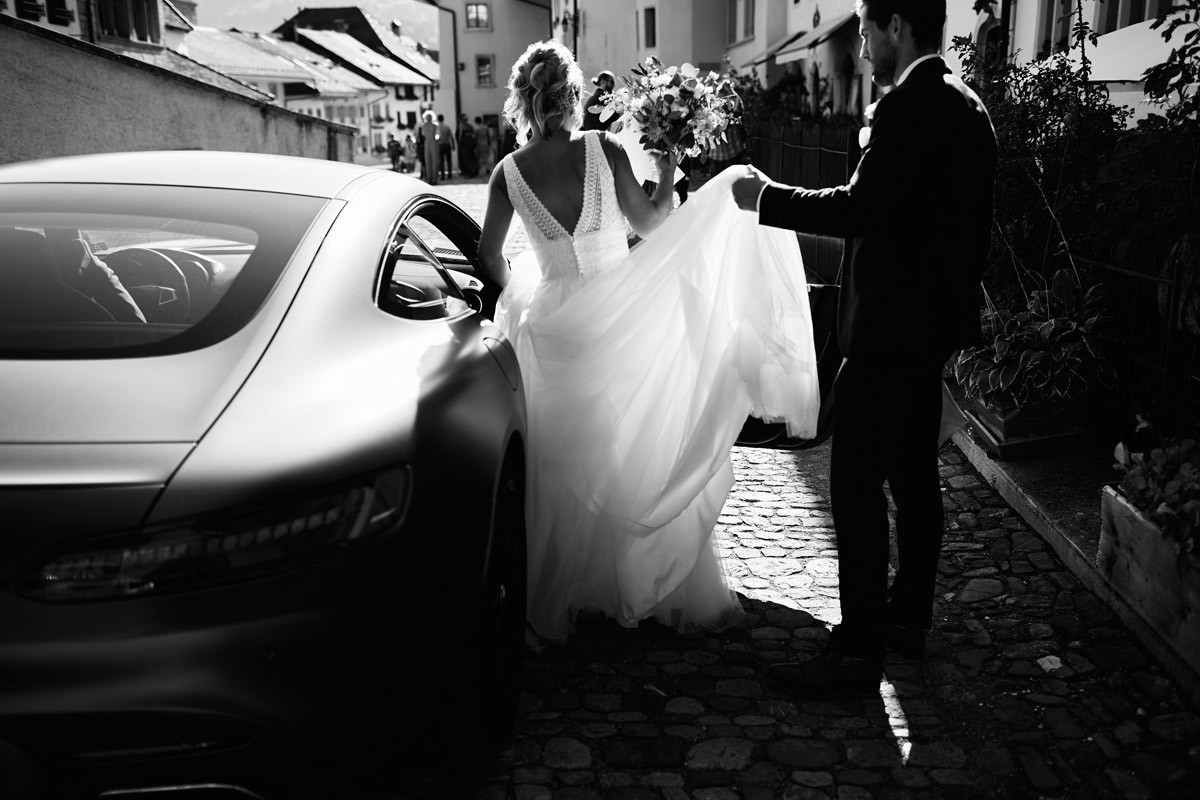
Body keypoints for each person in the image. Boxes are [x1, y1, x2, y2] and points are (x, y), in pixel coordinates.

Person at [478, 40, 820, 645]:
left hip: (554, 325)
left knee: (567, 465)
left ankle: (574, 595)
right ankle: (634, 586)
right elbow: (654, 224)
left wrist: (525, 293)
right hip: (619, 311)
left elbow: (488, 258)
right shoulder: (604, 149)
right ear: (571, 92)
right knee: (634, 449)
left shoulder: (507, 176)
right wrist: (665, 172)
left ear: (522, 100)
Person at [731, 0, 998, 690]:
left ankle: (856, 652)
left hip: (888, 331)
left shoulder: (909, 109)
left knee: (852, 484)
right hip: (930, 329)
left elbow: (861, 208)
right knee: (912, 479)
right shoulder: (970, 109)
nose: (862, 48)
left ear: (896, 28)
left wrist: (766, 199)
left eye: (866, 31)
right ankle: (907, 618)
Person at [419, 110, 439, 184]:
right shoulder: (425, 126)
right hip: (429, 142)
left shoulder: (433, 126)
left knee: (433, 160)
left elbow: (437, 134)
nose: (429, 118)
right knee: (430, 160)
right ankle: (430, 178)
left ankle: (433, 178)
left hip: (430, 142)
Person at [457, 114, 479, 178]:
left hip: (464, 143)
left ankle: (467, 173)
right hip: (470, 142)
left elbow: (460, 135)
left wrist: (459, 143)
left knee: (465, 158)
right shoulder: (470, 126)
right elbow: (473, 134)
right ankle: (473, 171)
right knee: (471, 157)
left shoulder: (461, 125)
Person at [436, 113, 455, 180]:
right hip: (447, 144)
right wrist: (453, 145)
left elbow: (436, 137)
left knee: (441, 161)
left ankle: (443, 175)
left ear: (438, 119)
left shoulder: (437, 127)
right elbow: (451, 137)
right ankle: (450, 174)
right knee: (449, 160)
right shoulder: (447, 127)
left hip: (440, 145)